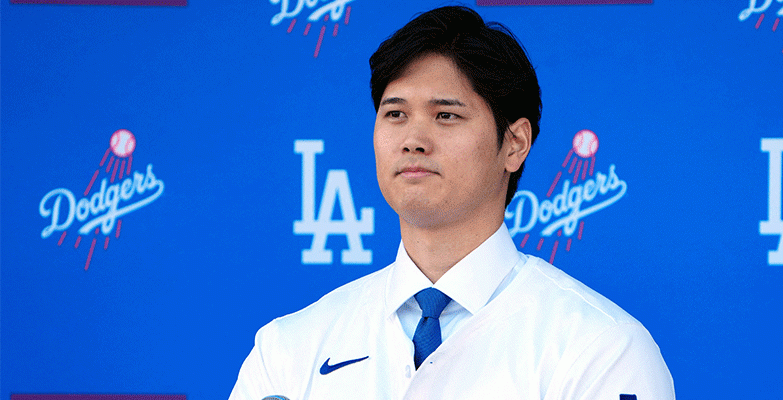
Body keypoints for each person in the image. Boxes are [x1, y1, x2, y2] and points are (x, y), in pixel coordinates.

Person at [229, 6, 674, 399]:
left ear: (515, 143)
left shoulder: (601, 348)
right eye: (395, 114)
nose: (413, 140)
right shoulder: (288, 350)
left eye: (446, 115)